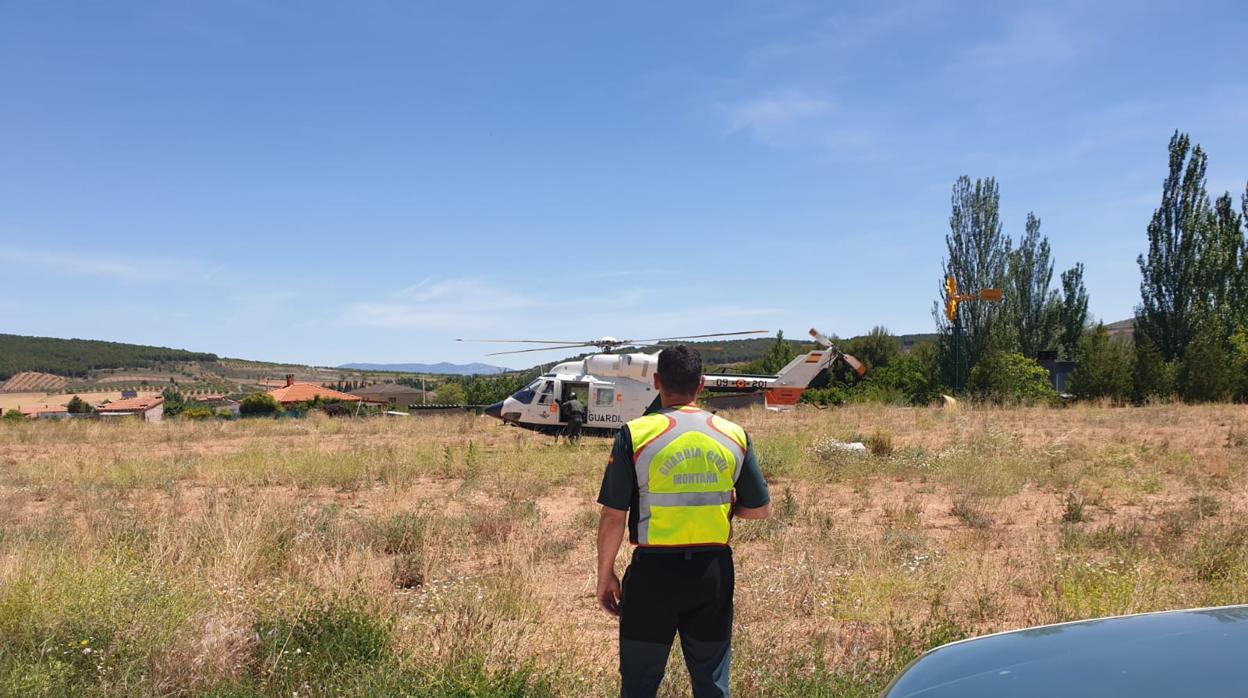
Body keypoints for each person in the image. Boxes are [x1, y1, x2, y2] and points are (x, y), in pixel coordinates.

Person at [595, 345, 771, 697]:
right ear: (701, 384)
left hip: (652, 577)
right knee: (711, 683)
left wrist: (605, 576)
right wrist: (726, 507)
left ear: (657, 381)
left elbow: (614, 515)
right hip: (712, 575)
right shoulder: (733, 435)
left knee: (640, 684)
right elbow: (759, 510)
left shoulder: (636, 434)